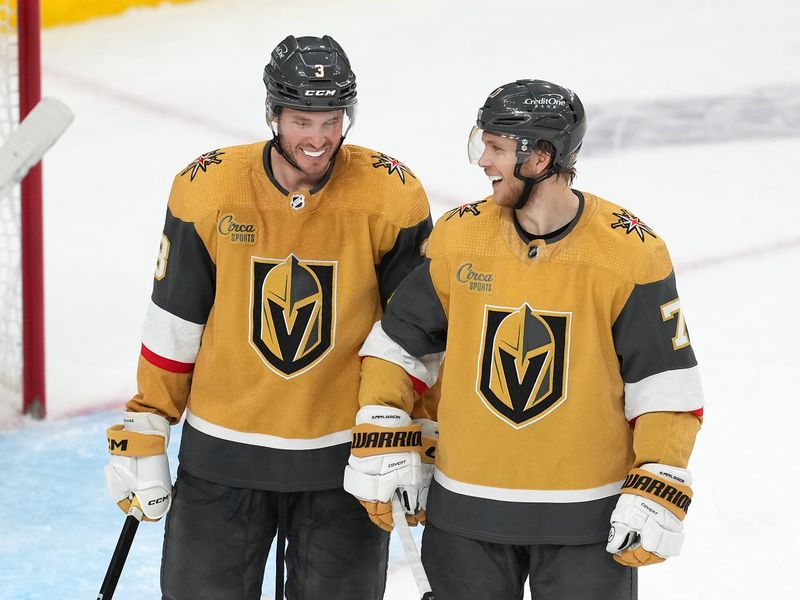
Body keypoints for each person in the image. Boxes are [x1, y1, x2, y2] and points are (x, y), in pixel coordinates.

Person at [343, 79, 704, 600]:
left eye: (496, 149)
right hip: (465, 514)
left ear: (540, 158)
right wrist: (384, 418)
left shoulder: (629, 253)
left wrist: (660, 475)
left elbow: (664, 383)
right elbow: (401, 344)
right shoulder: (459, 236)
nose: (484, 162)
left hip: (584, 525)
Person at [103, 35, 432, 600]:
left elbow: (414, 334)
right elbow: (175, 321)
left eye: (331, 120)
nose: (319, 138)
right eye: (303, 120)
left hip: (345, 465)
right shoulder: (208, 189)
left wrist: (418, 432)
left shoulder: (391, 196)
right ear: (273, 113)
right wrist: (149, 423)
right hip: (222, 458)